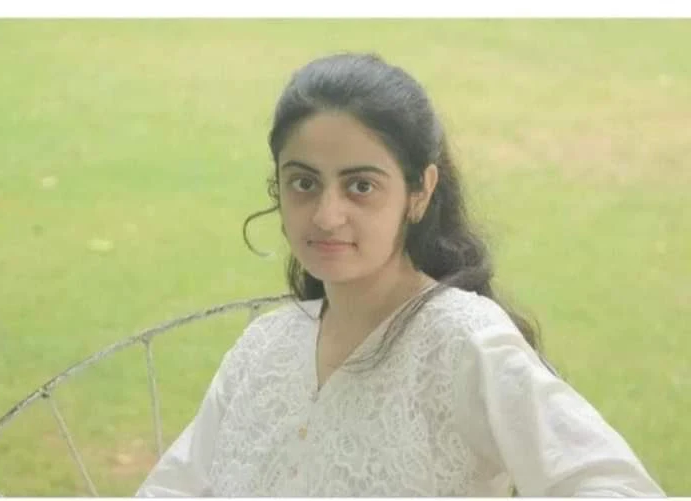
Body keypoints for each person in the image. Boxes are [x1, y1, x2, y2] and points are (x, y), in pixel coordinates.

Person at [136, 53, 664, 497]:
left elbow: (614, 486)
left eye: (360, 186)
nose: (326, 215)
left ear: (420, 191)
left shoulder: (462, 342)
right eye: (304, 183)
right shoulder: (264, 348)